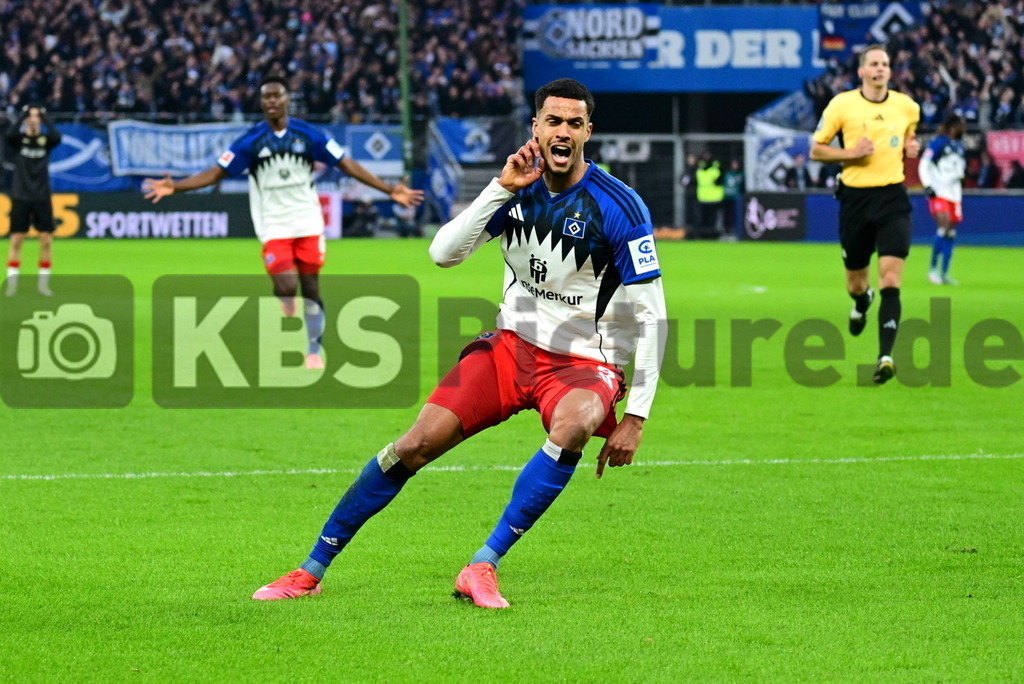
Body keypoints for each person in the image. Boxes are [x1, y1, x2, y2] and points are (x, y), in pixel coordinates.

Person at [251, 78, 667, 609]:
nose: (562, 132)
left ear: (588, 131)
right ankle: (310, 569)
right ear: (535, 127)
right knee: (414, 445)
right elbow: (443, 254)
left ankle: (482, 565)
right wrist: (501, 188)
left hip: (584, 362)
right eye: (552, 121)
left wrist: (636, 416)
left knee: (576, 424)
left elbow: (653, 315)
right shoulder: (517, 189)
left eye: (574, 123)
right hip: (509, 348)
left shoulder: (619, 207)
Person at [142, 76, 423, 368]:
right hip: (273, 225)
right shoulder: (250, 141)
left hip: (308, 223)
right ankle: (286, 299)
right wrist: (177, 186)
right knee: (287, 286)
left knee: (311, 289)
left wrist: (389, 190)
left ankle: (314, 349)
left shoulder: (308, 135)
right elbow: (216, 173)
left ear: (287, 100)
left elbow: (346, 164)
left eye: (277, 96)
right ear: (262, 103)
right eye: (267, 97)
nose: (272, 101)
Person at [810, 44, 921, 385]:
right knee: (857, 283)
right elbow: (816, 149)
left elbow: (908, 140)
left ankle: (885, 356)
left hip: (892, 197)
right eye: (873, 64)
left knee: (890, 278)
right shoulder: (842, 105)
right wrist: (851, 153)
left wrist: (911, 148)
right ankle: (861, 302)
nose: (880, 69)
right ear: (861, 71)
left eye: (885, 64)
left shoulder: (908, 107)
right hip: (855, 200)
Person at [5, 104, 62, 297]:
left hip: (41, 196)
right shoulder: (19, 140)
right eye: (31, 116)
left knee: (46, 240)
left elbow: (57, 136)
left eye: (37, 117)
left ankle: (43, 285)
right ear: (26, 119)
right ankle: (12, 285)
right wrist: (22, 114)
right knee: (17, 239)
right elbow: (9, 134)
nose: (33, 119)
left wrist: (46, 117)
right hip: (21, 195)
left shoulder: (46, 141)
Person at [918, 114, 966, 286]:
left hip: (955, 193)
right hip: (940, 190)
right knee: (943, 226)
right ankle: (932, 269)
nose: (964, 128)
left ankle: (944, 273)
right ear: (953, 126)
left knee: (951, 232)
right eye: (961, 125)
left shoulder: (960, 146)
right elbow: (924, 163)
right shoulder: (939, 142)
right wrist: (928, 185)